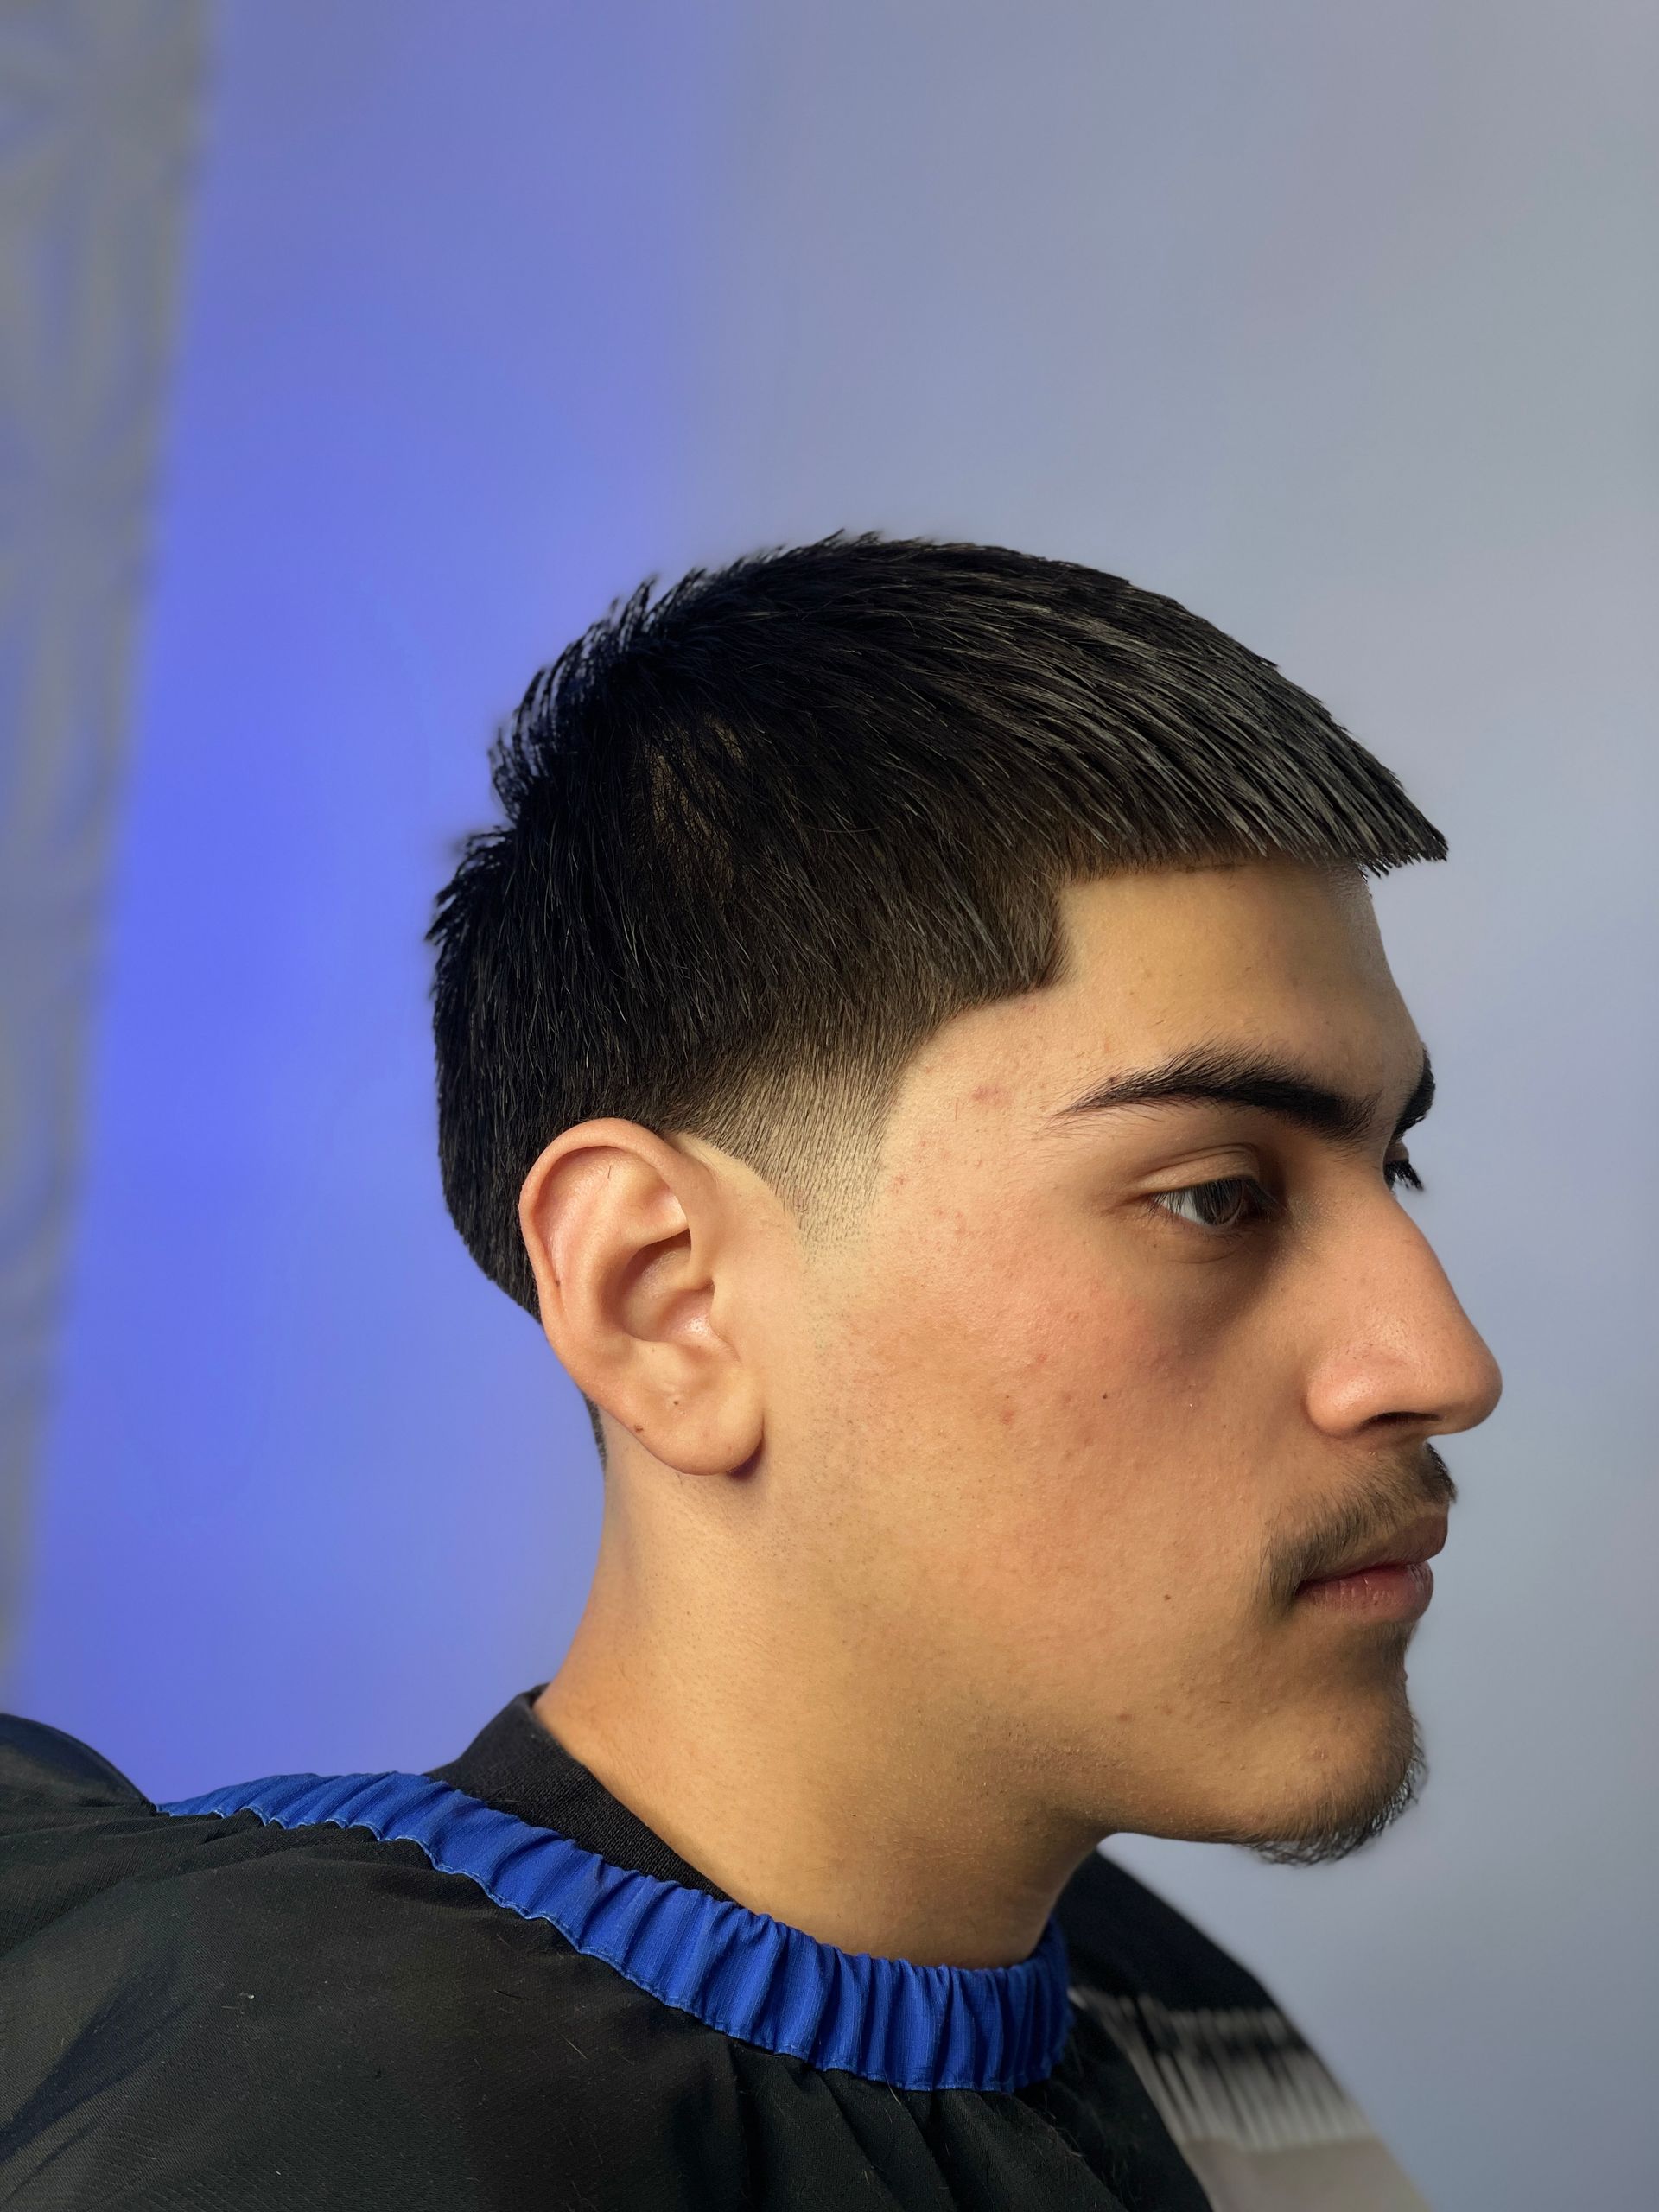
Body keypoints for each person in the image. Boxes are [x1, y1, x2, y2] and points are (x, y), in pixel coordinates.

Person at [0, 535, 1501, 2209]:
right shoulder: (332, 2132)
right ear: (666, 1302)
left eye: (1393, 1165)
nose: (1442, 1362)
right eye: (1215, 1196)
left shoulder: (1180, 2031)